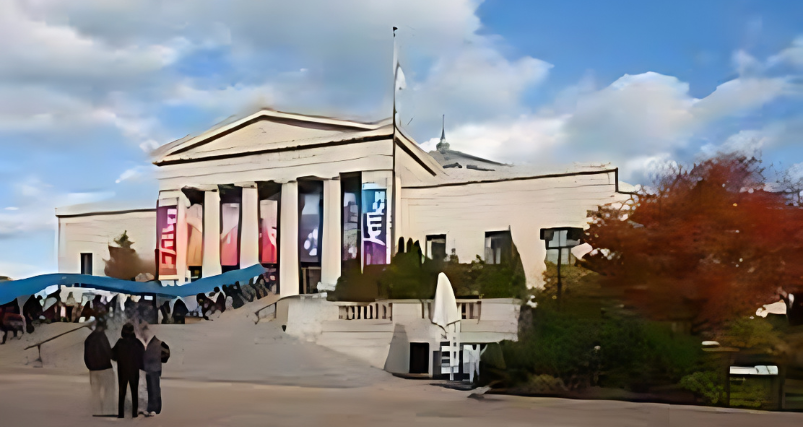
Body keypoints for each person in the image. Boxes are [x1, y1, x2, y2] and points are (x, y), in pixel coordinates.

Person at [111, 323, 144, 418]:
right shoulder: (137, 343)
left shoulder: (120, 343)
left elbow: (113, 355)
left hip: (122, 372)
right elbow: (143, 356)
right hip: (134, 372)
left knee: (122, 393)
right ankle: (134, 413)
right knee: (134, 393)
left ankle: (121, 414)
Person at [84, 322, 115, 416]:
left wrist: (90, 366)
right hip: (105, 368)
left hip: (93, 370)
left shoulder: (89, 338)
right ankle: (108, 410)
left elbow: (86, 356)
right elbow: (108, 352)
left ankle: (97, 411)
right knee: (109, 389)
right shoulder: (102, 337)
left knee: (95, 392)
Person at [140, 325, 166, 416]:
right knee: (151, 389)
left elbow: (163, 354)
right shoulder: (152, 343)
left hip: (153, 369)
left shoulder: (156, 343)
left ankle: (154, 408)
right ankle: (154, 407)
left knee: (153, 389)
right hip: (150, 369)